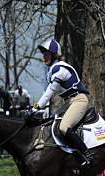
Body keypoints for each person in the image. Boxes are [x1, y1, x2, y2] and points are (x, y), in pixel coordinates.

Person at [33, 38, 93, 167]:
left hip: (78, 100)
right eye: (43, 54)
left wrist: (36, 107)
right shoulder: (51, 70)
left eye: (47, 54)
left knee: (64, 127)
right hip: (69, 102)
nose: (44, 56)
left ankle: (87, 154)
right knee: (51, 122)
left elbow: (50, 92)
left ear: (54, 54)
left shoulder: (60, 69)